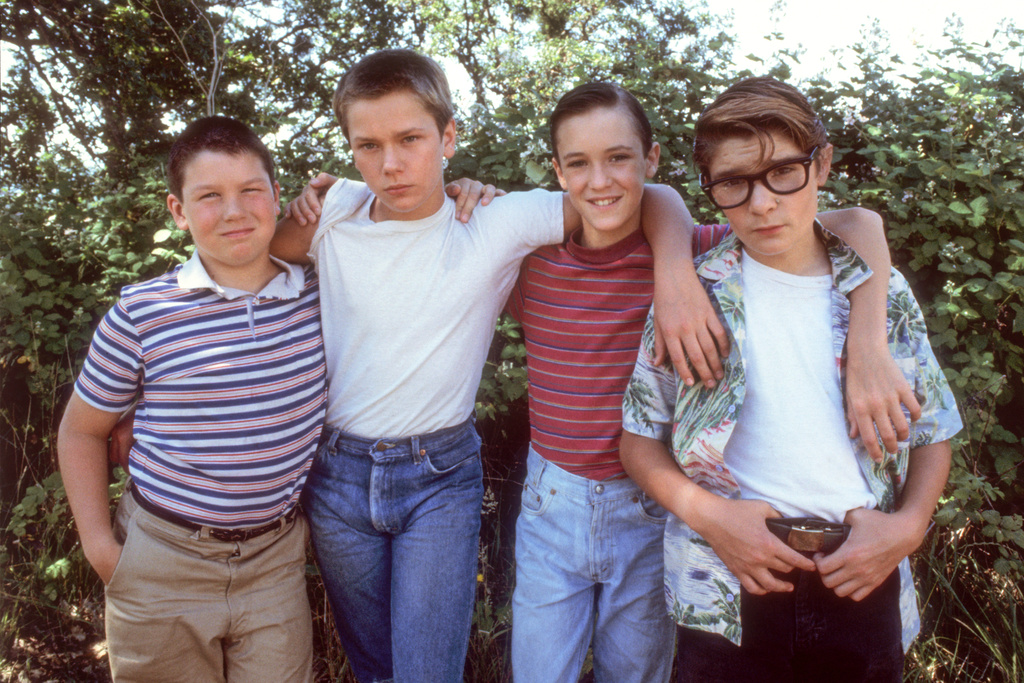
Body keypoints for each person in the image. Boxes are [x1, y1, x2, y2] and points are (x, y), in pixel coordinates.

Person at [270, 49, 720, 683]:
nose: (391, 163)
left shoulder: (494, 221)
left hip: (439, 474)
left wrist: (674, 271)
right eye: (368, 145)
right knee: (374, 667)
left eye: (410, 139)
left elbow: (634, 196)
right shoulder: (335, 211)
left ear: (448, 137)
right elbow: (250, 257)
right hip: (338, 472)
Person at [507, 82, 910, 683]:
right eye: (579, 163)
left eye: (618, 157)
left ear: (651, 159)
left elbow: (857, 223)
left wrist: (870, 342)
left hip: (651, 508)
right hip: (559, 498)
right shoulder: (528, 263)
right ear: (558, 172)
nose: (600, 180)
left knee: (636, 671)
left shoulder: (712, 251)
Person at [620, 76, 963, 683]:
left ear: (821, 164)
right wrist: (712, 518)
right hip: (725, 577)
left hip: (864, 571)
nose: (761, 203)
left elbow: (933, 429)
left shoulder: (880, 293)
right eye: (733, 182)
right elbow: (639, 440)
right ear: (711, 189)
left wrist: (908, 528)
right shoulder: (692, 298)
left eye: (783, 172)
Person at [57, 116, 326, 682]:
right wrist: (103, 550)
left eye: (251, 190)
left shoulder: (320, 293)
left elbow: (400, 219)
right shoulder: (142, 312)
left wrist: (460, 190)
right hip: (162, 560)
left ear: (277, 195)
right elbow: (81, 430)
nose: (234, 211)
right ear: (178, 211)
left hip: (274, 562)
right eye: (209, 196)